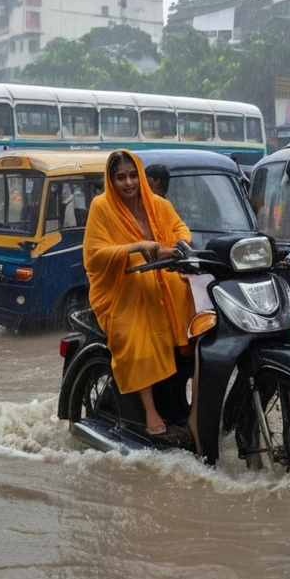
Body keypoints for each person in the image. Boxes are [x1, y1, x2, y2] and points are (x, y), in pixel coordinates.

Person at [84, 150, 195, 442]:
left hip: (162, 284)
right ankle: (150, 412)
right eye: (121, 177)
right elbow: (95, 255)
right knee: (136, 334)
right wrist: (135, 248)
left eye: (133, 176)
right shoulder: (101, 207)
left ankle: (193, 408)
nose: (129, 182)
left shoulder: (158, 204)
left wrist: (174, 247)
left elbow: (180, 230)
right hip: (122, 292)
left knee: (200, 323)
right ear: (111, 180)